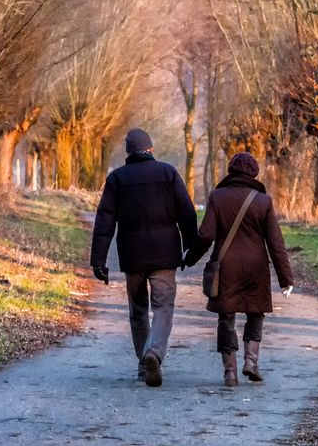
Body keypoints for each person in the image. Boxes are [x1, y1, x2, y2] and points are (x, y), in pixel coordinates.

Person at [90, 128, 198, 387]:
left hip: (132, 257)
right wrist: (190, 248)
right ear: (150, 149)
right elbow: (187, 213)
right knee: (163, 309)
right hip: (164, 256)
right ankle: (154, 353)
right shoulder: (168, 173)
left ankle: (143, 365)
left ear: (128, 152)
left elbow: (104, 222)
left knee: (138, 312)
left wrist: (99, 261)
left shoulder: (117, 179)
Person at [184, 152, 294, 387]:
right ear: (254, 174)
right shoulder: (263, 201)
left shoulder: (217, 197)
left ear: (231, 171)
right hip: (256, 268)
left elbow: (205, 236)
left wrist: (190, 258)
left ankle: (230, 372)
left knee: (226, 318)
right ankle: (251, 362)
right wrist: (286, 278)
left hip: (227, 268)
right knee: (255, 314)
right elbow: (276, 244)